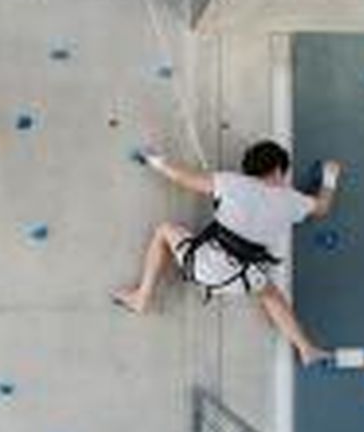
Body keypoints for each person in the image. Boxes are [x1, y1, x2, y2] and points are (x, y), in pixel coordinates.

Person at [112, 139, 343, 366]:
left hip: (202, 267)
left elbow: (183, 178)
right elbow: (322, 207)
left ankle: (142, 297)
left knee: (164, 230)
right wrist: (330, 176)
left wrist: (154, 160)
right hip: (242, 280)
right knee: (271, 295)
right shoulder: (293, 201)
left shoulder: (232, 182)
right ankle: (305, 348)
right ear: (278, 170)